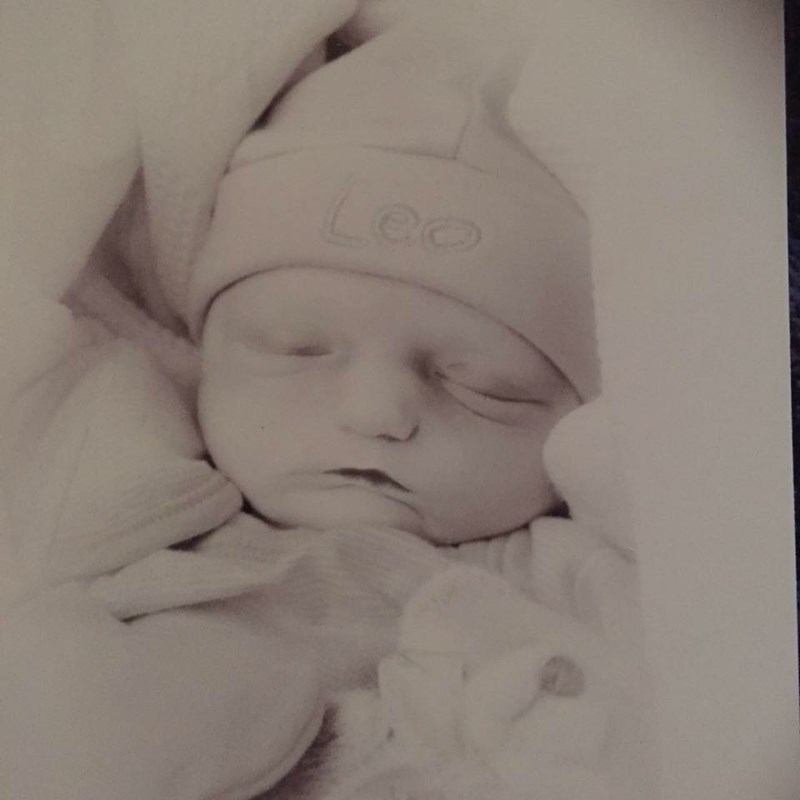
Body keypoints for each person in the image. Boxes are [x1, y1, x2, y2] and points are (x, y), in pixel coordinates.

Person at [0, 15, 641, 800]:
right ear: (203, 357)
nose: (377, 413)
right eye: (296, 349)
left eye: (485, 387)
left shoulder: (572, 576)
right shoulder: (137, 490)